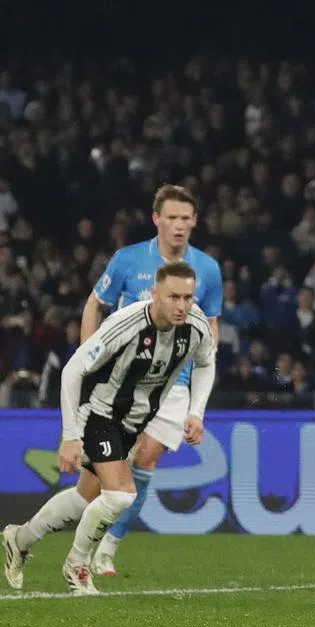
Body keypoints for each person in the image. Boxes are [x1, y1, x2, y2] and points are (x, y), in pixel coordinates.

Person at [3, 262, 216, 594]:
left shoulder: (197, 325)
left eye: (188, 297)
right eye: (173, 296)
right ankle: (77, 566)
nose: (181, 306)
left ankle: (19, 538)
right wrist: (71, 436)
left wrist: (196, 412)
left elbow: (206, 363)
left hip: (134, 420)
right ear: (154, 294)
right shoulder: (127, 323)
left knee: (84, 498)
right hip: (99, 412)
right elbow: (72, 371)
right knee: (120, 495)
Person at [80, 185, 222, 576]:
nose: (178, 226)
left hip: (175, 378)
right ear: (156, 218)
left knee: (146, 457)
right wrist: (91, 356)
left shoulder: (207, 269)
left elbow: (211, 329)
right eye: (171, 217)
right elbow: (96, 303)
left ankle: (108, 547)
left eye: (185, 218)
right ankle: (63, 539)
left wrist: (198, 400)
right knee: (100, 476)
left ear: (194, 221)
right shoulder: (128, 260)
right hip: (123, 379)